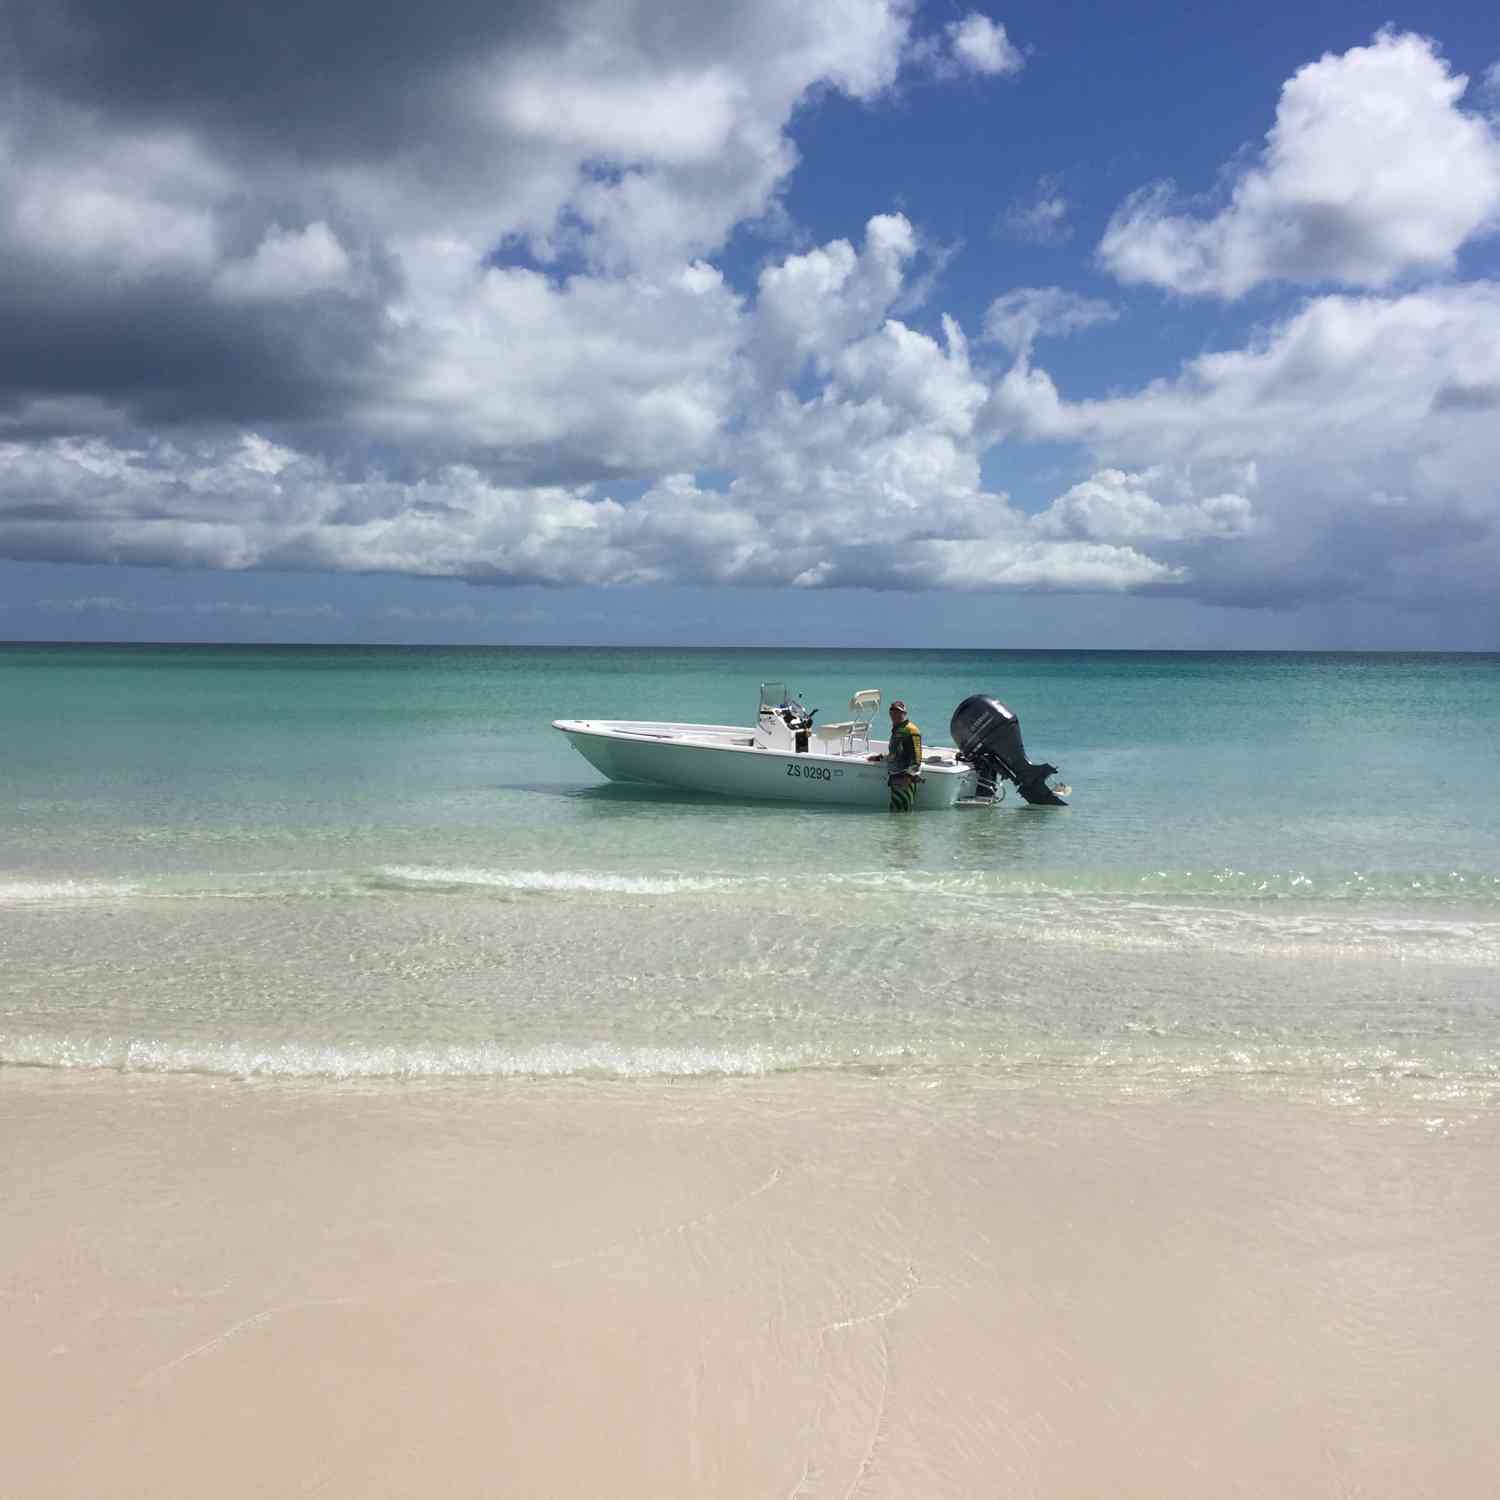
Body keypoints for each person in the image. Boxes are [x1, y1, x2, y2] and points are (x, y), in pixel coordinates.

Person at [868, 699, 923, 811]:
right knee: (896, 812)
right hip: (895, 777)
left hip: (904, 778)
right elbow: (895, 753)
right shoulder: (897, 729)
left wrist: (908, 776)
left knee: (902, 812)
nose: (895, 714)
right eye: (892, 711)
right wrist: (880, 757)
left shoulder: (911, 730)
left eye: (898, 712)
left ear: (904, 713)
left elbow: (917, 758)